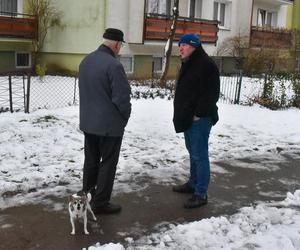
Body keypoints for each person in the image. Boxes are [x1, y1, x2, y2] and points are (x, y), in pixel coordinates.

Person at [79, 28, 131, 214]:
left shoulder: (86, 61)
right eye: (121, 45)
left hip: (89, 122)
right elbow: (122, 98)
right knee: (108, 163)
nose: (120, 49)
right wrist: (125, 116)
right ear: (117, 44)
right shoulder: (114, 65)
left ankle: (87, 193)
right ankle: (100, 202)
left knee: (91, 160)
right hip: (109, 126)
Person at [172, 33, 220, 209]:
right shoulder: (190, 63)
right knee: (193, 152)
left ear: (193, 46)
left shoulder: (205, 65)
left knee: (200, 155)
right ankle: (193, 183)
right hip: (188, 117)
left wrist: (199, 113)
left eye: (183, 45)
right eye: (179, 46)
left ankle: (201, 193)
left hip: (199, 119)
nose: (180, 49)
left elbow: (212, 93)